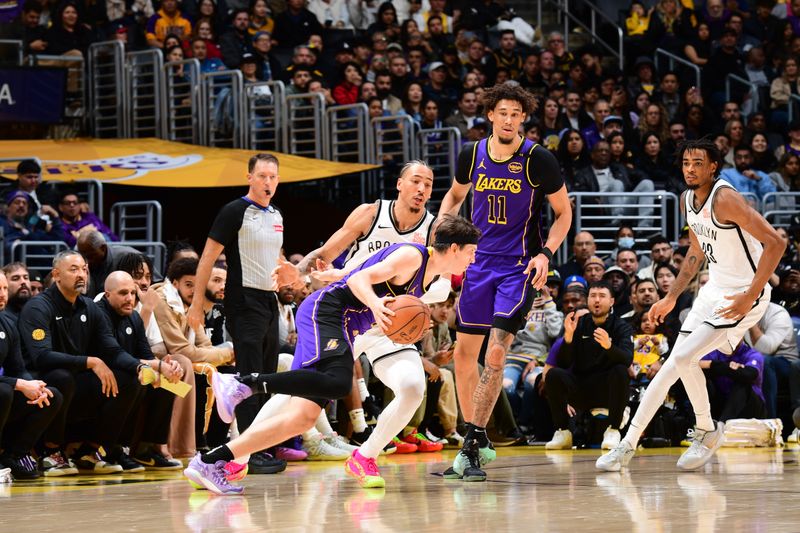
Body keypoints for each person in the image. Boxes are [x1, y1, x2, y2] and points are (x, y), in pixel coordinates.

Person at [184, 216, 481, 495]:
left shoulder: (432, 278)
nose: (474, 258)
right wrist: (377, 306)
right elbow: (358, 281)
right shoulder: (413, 256)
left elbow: (355, 271)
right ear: (454, 248)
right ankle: (242, 383)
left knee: (301, 418)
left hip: (344, 324)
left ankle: (212, 461)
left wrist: (337, 276)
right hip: (328, 313)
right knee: (339, 382)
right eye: (471, 252)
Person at [597, 138, 785, 472]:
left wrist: (749, 295)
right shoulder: (686, 199)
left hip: (744, 292)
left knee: (684, 358)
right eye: (686, 162)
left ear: (714, 166)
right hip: (714, 289)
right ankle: (627, 445)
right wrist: (671, 296)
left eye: (698, 163)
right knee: (673, 365)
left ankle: (706, 429)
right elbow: (696, 251)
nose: (690, 169)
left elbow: (775, 242)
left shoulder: (725, 198)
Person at [438, 82, 572, 482]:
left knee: (496, 354)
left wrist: (546, 253)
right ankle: (471, 438)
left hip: (518, 269)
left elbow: (564, 213)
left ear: (523, 118)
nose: (510, 120)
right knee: (464, 356)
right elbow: (453, 198)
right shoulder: (472, 154)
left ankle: (474, 446)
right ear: (490, 115)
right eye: (503, 113)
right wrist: (446, 241)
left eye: (517, 114)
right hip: (479, 266)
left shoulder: (537, 159)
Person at [186, 153, 286, 475]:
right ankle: (249, 454)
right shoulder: (234, 211)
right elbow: (206, 259)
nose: (268, 182)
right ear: (249, 177)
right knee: (249, 376)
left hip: (270, 302)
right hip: (243, 302)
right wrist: (196, 304)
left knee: (267, 378)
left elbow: (277, 260)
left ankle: (262, 447)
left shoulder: (276, 214)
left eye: (273, 177)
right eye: (262, 176)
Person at [545, 281, 634, 450]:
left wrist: (609, 347)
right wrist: (569, 339)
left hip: (608, 392)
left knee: (621, 370)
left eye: (602, 296)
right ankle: (563, 432)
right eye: (593, 296)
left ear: (612, 301)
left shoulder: (622, 327)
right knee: (554, 375)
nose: (597, 300)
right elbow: (564, 363)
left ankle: (613, 430)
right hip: (581, 388)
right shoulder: (579, 323)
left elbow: (627, 360)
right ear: (587, 300)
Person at [0, 270, 62, 480]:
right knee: (4, 391)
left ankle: (12, 456)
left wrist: (33, 386)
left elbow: (17, 368)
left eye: (4, 289)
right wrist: (19, 384)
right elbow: (13, 380)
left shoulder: (7, 323)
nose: (2, 295)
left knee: (51, 396)